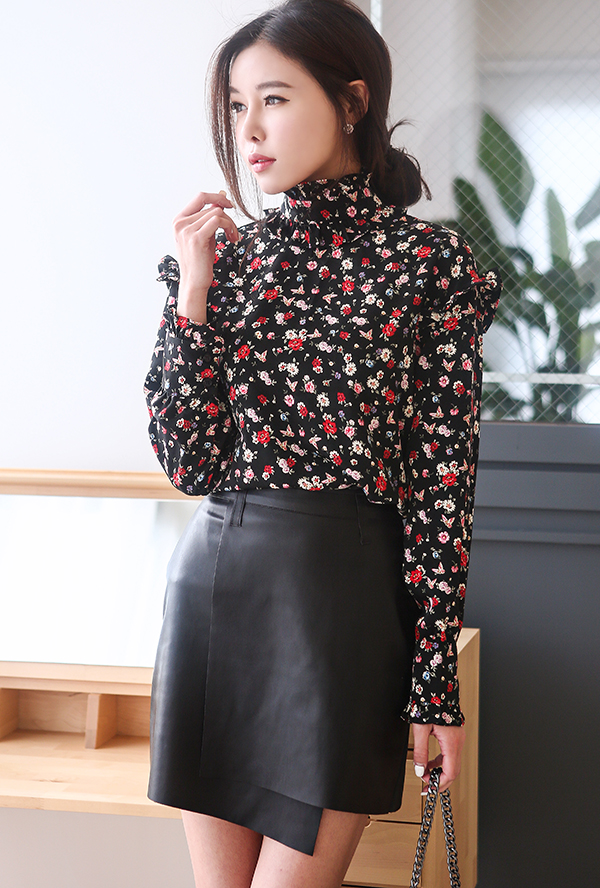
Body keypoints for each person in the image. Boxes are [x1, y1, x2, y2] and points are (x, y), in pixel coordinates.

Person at [144, 1, 501, 886]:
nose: (249, 130)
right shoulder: (223, 261)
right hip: (216, 595)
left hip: (344, 611)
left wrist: (435, 686)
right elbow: (189, 462)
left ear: (351, 101)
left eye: (273, 99)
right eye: (237, 105)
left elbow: (441, 487)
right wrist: (193, 292)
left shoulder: (430, 269)